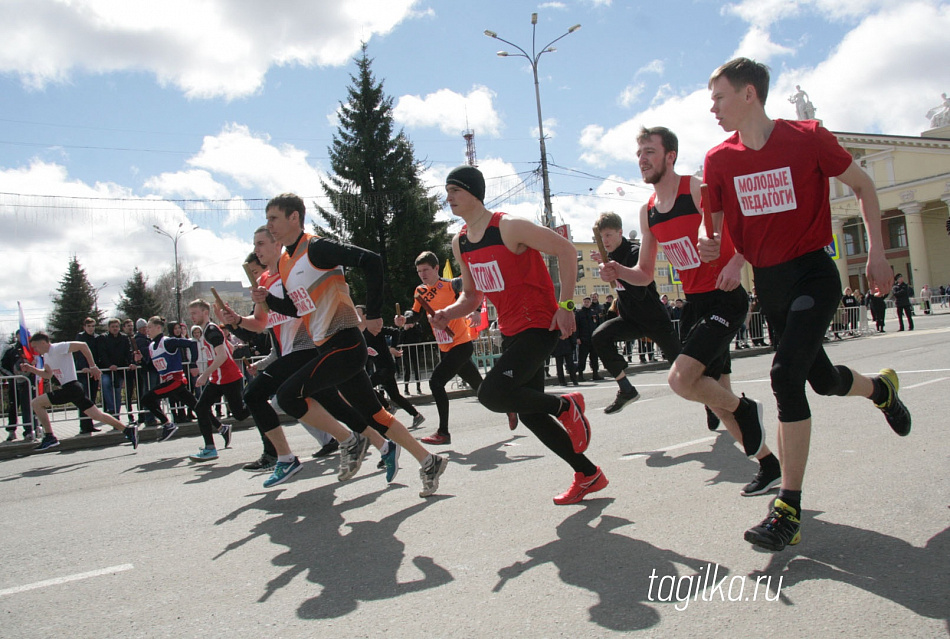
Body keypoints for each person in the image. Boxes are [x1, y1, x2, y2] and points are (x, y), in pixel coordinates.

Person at [702, 57, 911, 551]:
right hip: (771, 284)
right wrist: (718, 251)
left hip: (814, 273)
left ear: (749, 94)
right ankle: (880, 390)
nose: (712, 107)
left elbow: (863, 186)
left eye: (719, 97)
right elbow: (711, 225)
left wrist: (878, 252)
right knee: (819, 379)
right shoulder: (719, 160)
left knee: (784, 376)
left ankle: (788, 509)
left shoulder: (808, 136)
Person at [600, 126, 779, 497]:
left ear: (670, 156)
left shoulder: (696, 189)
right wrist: (619, 272)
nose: (643, 159)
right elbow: (645, 274)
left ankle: (746, 409)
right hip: (696, 303)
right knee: (713, 391)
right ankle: (767, 464)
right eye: (639, 154)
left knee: (680, 380)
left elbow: (749, 224)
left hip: (726, 296)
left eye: (650, 151)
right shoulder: (648, 210)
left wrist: (736, 264)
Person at [429, 165, 606, 505]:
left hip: (540, 325)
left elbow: (567, 250)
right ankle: (588, 474)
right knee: (529, 413)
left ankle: (565, 405)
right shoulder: (461, 241)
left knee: (492, 394)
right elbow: (473, 296)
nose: (448, 197)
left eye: (454, 190)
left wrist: (566, 304)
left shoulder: (509, 226)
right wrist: (447, 314)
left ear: (473, 193)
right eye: (447, 190)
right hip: (511, 331)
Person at [257, 193, 447, 497]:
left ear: (294, 218)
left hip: (344, 343)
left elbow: (372, 261)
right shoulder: (284, 261)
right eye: (267, 219)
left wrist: (373, 314)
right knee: (375, 415)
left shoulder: (316, 247)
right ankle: (429, 461)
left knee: (288, 396)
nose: (270, 225)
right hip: (327, 348)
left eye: (274, 219)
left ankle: (349, 440)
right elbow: (298, 308)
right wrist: (269, 300)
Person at [218, 237, 393, 488]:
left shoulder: (292, 272)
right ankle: (384, 445)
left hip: (310, 347)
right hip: (288, 354)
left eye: (261, 244)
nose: (256, 251)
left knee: (256, 394)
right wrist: (236, 320)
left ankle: (288, 456)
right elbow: (258, 323)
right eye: (255, 245)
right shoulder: (264, 282)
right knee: (336, 406)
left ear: (278, 243)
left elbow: (311, 304)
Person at [397, 250, 516, 445]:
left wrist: (476, 311)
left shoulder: (452, 284)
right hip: (445, 348)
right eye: (419, 271)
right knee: (479, 388)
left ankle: (443, 432)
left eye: (426, 270)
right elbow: (416, 314)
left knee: (436, 383)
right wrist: (404, 319)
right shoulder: (420, 291)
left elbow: (475, 291)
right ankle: (508, 407)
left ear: (436, 268)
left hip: (461, 344)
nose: (422, 274)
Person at [589, 211, 682, 415]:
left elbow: (639, 292)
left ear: (620, 232)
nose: (605, 241)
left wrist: (617, 271)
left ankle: (713, 405)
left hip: (655, 320)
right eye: (602, 237)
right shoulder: (609, 256)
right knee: (599, 337)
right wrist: (603, 264)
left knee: (684, 372)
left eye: (609, 235)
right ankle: (626, 389)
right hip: (631, 320)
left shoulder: (634, 252)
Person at [21, 333, 138, 451]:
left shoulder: (58, 347)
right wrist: (32, 369)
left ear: (43, 343)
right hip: (72, 389)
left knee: (36, 403)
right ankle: (128, 430)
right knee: (97, 415)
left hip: (72, 387)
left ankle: (50, 436)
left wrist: (93, 366)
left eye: (35, 347)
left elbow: (83, 345)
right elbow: (48, 374)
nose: (35, 350)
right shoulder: (46, 356)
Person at [187, 299, 251, 461]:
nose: (192, 316)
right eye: (191, 313)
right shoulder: (206, 331)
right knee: (200, 408)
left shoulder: (211, 331)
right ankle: (210, 448)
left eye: (195, 313)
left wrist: (204, 374)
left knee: (240, 414)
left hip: (229, 378)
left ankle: (262, 401)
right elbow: (227, 349)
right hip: (218, 379)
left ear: (205, 313)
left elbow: (222, 356)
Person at [140, 316, 199, 443]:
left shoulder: (167, 341)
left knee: (146, 398)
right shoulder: (151, 346)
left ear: (158, 328)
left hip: (175, 381)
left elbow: (192, 343)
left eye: (149, 327)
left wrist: (193, 364)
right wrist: (139, 360)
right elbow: (153, 365)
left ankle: (167, 424)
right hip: (168, 382)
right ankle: (222, 428)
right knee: (196, 406)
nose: (147, 330)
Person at [97, 318, 135, 421]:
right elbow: (102, 354)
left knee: (117, 391)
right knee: (105, 384)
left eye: (117, 327)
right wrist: (109, 365)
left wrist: (131, 363)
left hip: (119, 370)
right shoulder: (103, 338)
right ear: (109, 328)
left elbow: (129, 352)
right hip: (107, 369)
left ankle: (116, 415)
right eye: (113, 327)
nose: (115, 329)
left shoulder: (124, 338)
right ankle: (111, 408)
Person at [74, 317, 101, 434]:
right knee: (84, 398)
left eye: (93, 326)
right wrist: (83, 367)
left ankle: (90, 424)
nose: (91, 328)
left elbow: (98, 354)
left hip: (93, 372)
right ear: (84, 327)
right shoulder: (80, 337)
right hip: (84, 372)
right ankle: (83, 425)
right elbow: (79, 354)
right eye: (88, 326)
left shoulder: (97, 338)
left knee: (92, 399)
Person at [574, 297, 602, 381]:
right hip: (583, 339)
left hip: (593, 339)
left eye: (588, 302)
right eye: (585, 302)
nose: (587, 303)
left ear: (590, 303)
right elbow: (577, 326)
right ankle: (580, 375)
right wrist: (577, 337)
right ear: (583, 302)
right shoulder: (579, 313)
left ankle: (595, 374)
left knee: (594, 357)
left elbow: (598, 325)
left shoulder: (593, 312)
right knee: (582, 358)